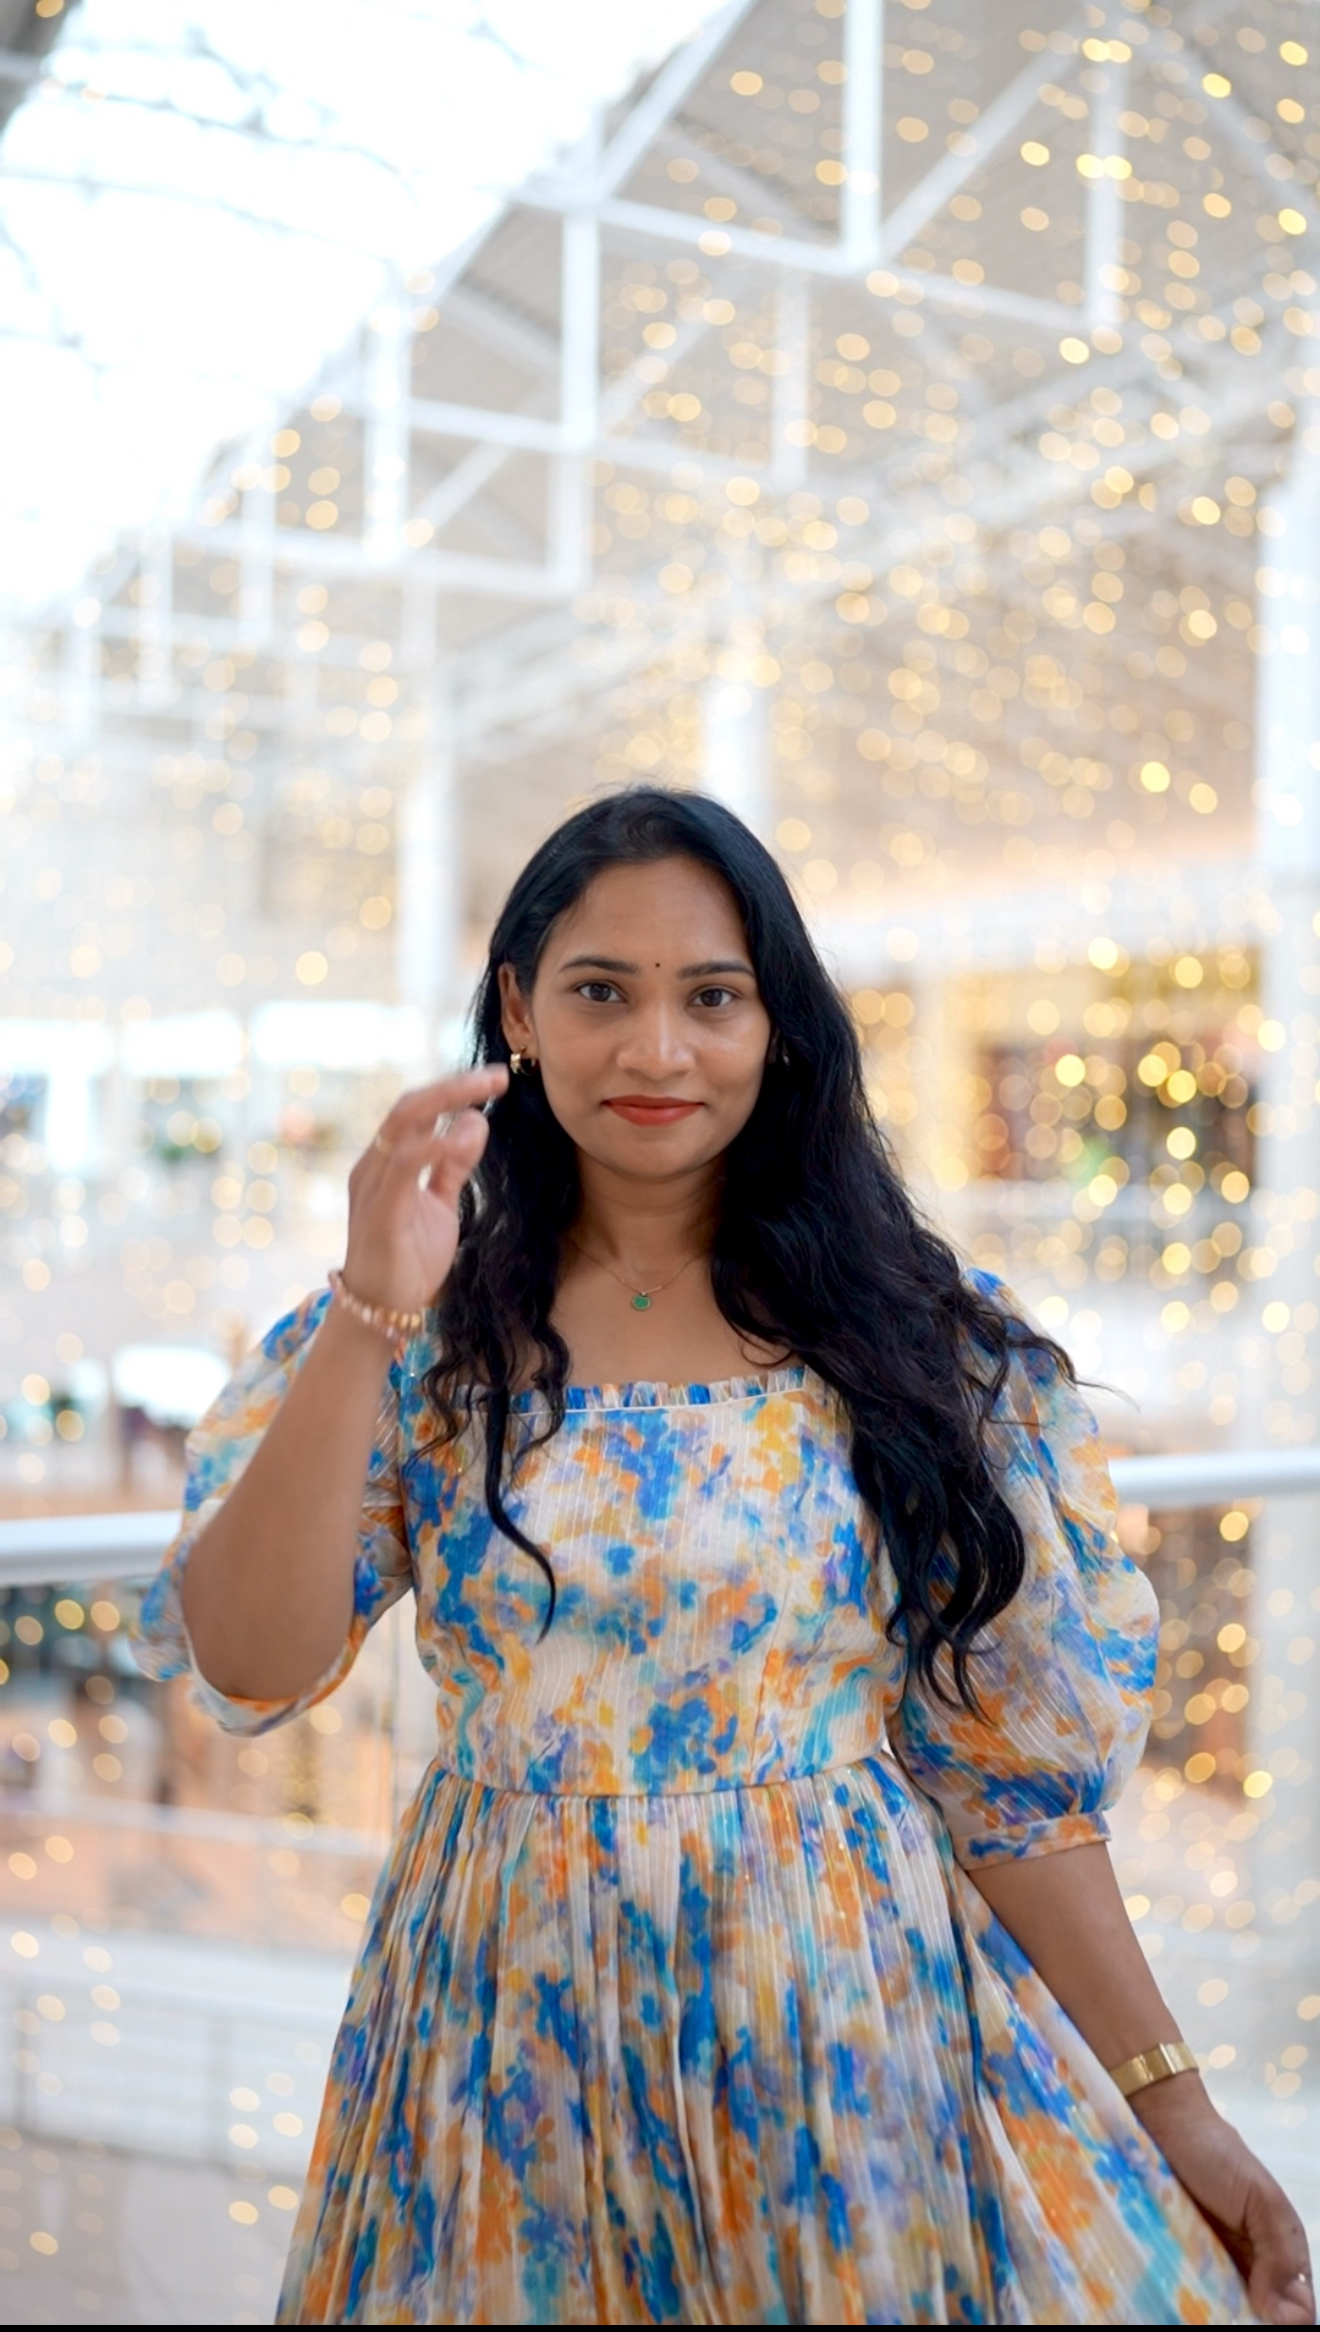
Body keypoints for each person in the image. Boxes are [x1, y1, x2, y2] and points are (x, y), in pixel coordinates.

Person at [137, 788, 1313, 2327]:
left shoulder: (914, 1345)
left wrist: (1176, 2106)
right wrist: (372, 1306)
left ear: (778, 1025)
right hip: (501, 2028)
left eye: (712, 997)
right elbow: (246, 1657)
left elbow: (1007, 1792)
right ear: (518, 1011)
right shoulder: (418, 1338)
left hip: (838, 2034)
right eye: (601, 993)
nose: (657, 1052)